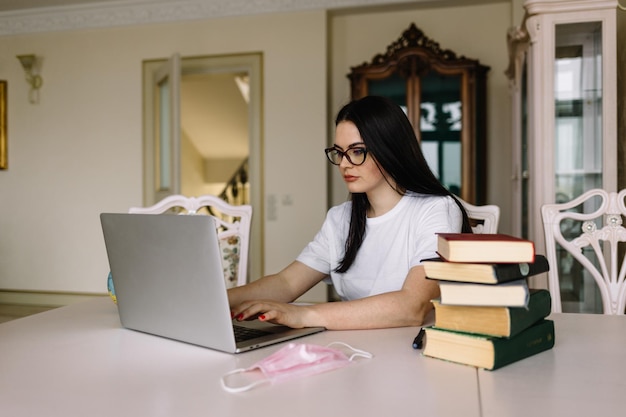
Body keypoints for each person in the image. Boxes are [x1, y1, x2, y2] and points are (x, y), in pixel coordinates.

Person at [228, 96, 472, 330]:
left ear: (389, 150)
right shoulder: (340, 218)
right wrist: (217, 299)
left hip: (415, 352)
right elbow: (287, 282)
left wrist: (303, 314)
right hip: (353, 349)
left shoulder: (436, 209)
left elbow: (412, 306)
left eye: (357, 151)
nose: (344, 164)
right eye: (339, 152)